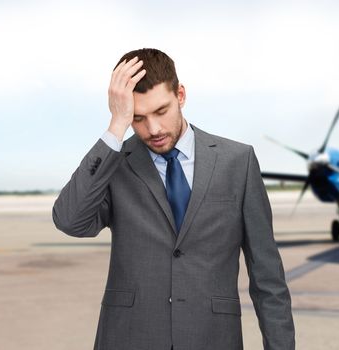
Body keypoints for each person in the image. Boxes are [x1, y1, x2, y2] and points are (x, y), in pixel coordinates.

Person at [52, 48, 295, 350]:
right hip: (129, 338)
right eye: (138, 118)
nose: (152, 129)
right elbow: (70, 221)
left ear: (180, 95)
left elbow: (267, 276)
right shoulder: (115, 163)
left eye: (161, 111)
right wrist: (116, 127)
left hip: (212, 338)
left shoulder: (238, 161)